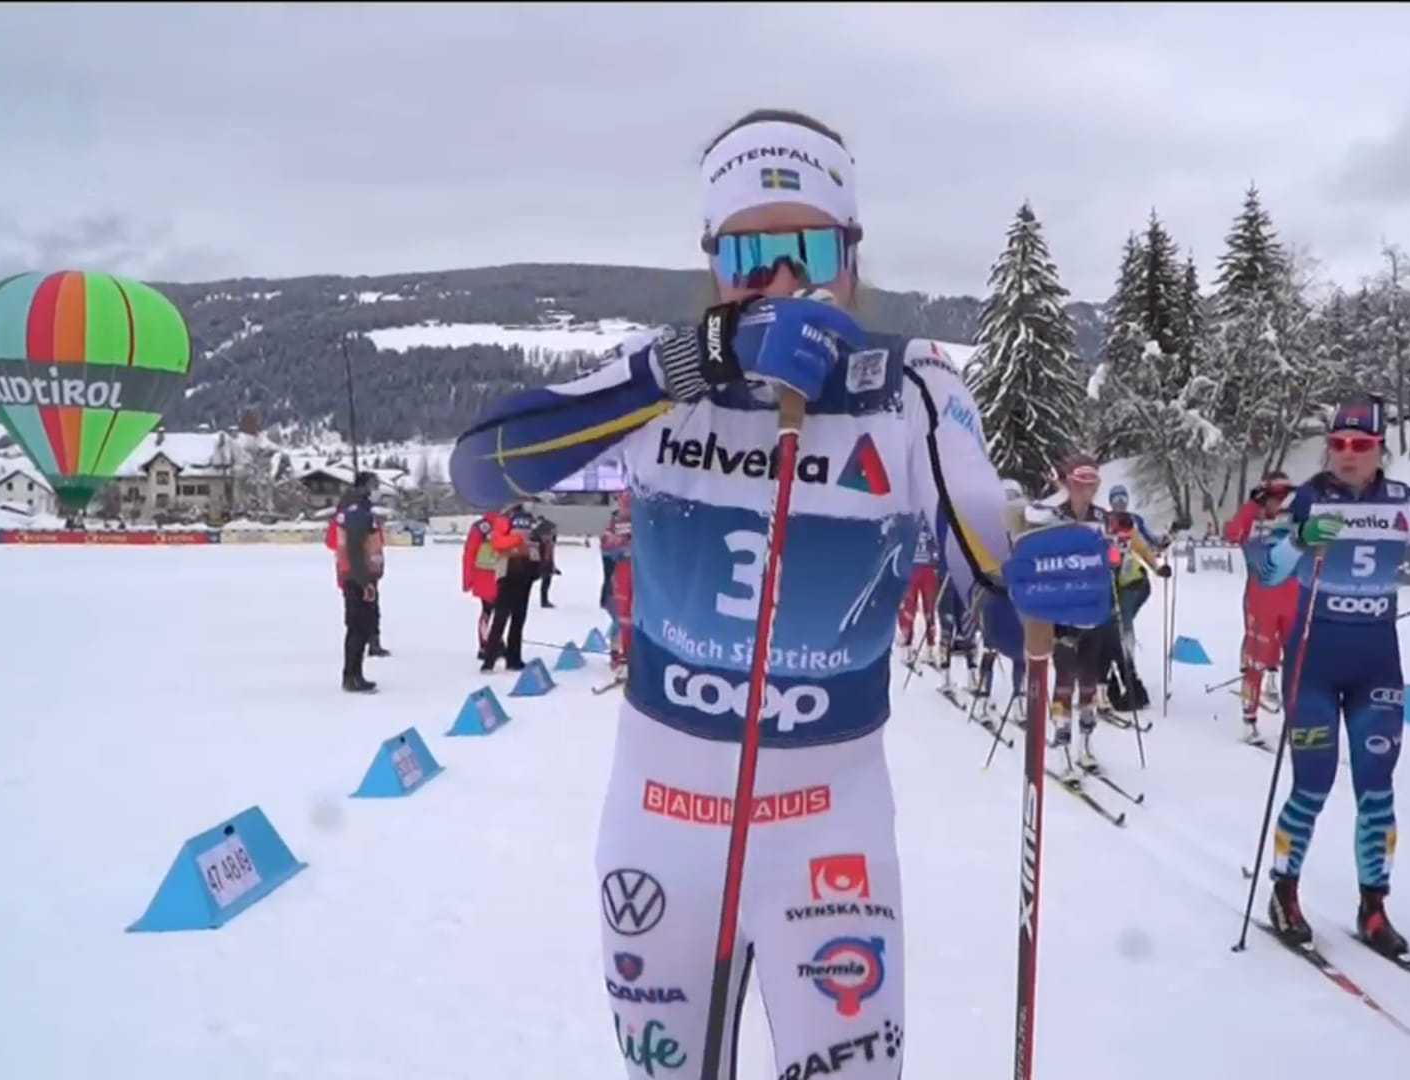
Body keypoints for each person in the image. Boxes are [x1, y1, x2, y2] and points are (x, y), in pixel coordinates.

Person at [445, 106, 1109, 1080]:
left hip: (828, 827)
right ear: (713, 261)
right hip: (662, 821)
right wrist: (700, 361)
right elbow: (480, 471)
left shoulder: (915, 390)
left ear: (850, 256)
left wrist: (1044, 596)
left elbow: (988, 587)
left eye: (808, 247)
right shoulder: (667, 377)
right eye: (750, 254)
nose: (781, 281)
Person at [1255, 397, 1410, 956]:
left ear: (1380, 448)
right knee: (1313, 782)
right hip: (1312, 659)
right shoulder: (1307, 497)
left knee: (1377, 788)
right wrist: (1300, 540)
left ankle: (1373, 906)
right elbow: (1264, 569)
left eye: (1360, 445)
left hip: (1376, 661)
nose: (1347, 454)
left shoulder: (1406, 502)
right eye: (1337, 444)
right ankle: (1284, 891)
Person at [1021, 454, 1145, 770]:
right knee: (1065, 679)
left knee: (1090, 681)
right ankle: (1061, 746)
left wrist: (1116, 554)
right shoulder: (1052, 517)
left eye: (1091, 485)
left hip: (1096, 607)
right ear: (1069, 484)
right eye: (1080, 485)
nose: (1086, 492)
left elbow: (1114, 556)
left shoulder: (1103, 518)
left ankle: (1086, 746)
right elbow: (1034, 542)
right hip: (1064, 609)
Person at [1224, 470, 1298, 742]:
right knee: (1255, 661)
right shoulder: (1251, 517)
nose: (1281, 502)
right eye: (1276, 496)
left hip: (1293, 601)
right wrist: (1250, 507)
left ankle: (1294, 720)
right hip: (1259, 601)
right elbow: (1230, 534)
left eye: (1285, 495)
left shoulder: (1295, 518)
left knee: (1297, 662)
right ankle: (1249, 718)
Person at [1100, 484, 1170, 714]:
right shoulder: (1102, 523)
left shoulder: (1131, 524)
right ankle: (1109, 677)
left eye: (1123, 498)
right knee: (1107, 627)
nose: (1120, 503)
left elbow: (1145, 548)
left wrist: (1159, 567)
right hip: (1109, 585)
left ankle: (1128, 674)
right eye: (1116, 499)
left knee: (1121, 624)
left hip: (1133, 584)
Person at [333, 471, 387, 693]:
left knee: (362, 627)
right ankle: (351, 676)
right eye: (373, 486)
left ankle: (356, 674)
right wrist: (364, 581)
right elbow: (354, 550)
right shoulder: (357, 514)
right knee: (358, 628)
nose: (377, 491)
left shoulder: (361, 511)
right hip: (358, 578)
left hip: (361, 576)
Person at [462, 504, 527, 670]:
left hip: (495, 573)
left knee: (494, 613)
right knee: (491, 612)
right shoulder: (486, 527)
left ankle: (493, 645)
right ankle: (487, 646)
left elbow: (469, 552)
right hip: (488, 574)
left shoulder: (485, 526)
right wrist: (468, 578)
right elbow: (470, 551)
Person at [479, 499, 539, 670]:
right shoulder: (502, 521)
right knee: (501, 617)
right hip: (507, 573)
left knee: (519, 618)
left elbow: (535, 543)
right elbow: (497, 543)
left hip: (526, 573)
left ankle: (514, 658)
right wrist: (518, 539)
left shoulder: (529, 520)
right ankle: (489, 659)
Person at [896, 512, 941, 667]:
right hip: (913, 567)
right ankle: (907, 645)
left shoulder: (931, 516)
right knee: (909, 607)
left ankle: (930, 647)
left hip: (928, 566)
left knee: (930, 609)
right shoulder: (908, 516)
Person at [600, 492, 634, 673]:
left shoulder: (649, 520)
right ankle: (618, 652)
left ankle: (631, 652)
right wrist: (620, 543)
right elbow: (606, 544)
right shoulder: (617, 522)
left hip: (642, 574)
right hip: (622, 571)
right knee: (621, 615)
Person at [535, 512, 561, 608]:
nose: (554, 533)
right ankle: (544, 601)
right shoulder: (543, 542)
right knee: (545, 582)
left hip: (547, 563)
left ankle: (544, 600)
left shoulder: (549, 541)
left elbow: (551, 555)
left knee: (546, 582)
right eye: (552, 531)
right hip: (543, 563)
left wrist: (553, 566)